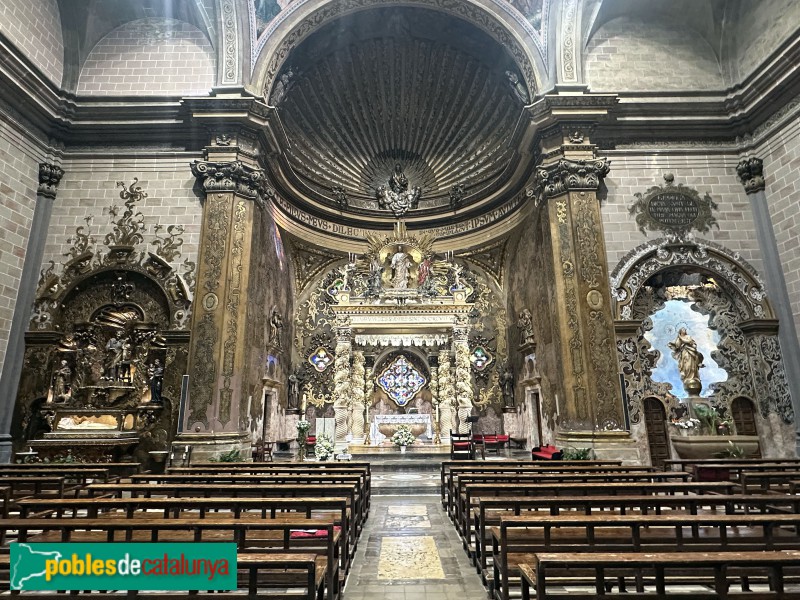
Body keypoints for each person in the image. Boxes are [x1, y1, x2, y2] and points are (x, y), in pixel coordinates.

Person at [668, 327, 704, 392]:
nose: (684, 330)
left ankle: (694, 377)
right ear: (680, 331)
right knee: (686, 366)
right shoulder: (678, 338)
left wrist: (681, 338)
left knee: (691, 365)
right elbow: (677, 346)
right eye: (683, 330)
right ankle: (687, 377)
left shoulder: (688, 336)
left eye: (685, 330)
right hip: (683, 353)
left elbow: (689, 341)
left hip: (690, 352)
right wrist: (674, 344)